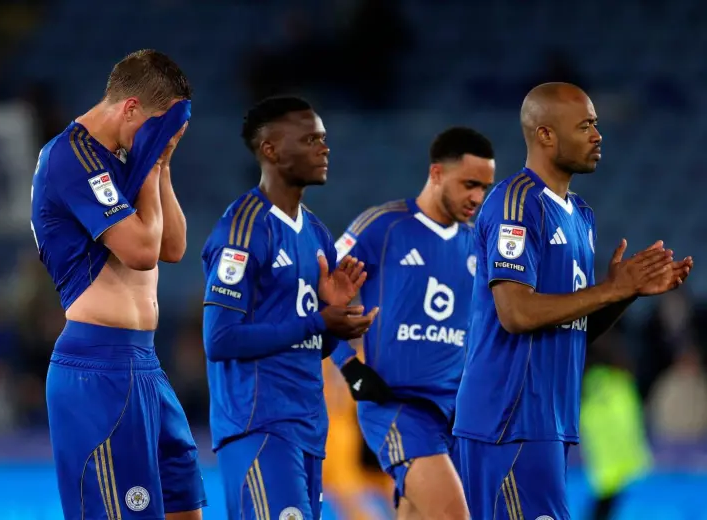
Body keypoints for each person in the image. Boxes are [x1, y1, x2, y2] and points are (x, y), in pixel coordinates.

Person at [452, 82, 693, 520]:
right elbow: (516, 313)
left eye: (596, 125)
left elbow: (575, 326)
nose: (598, 135)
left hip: (547, 419)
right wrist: (611, 290)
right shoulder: (516, 202)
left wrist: (625, 295)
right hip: (508, 418)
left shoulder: (580, 214)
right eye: (585, 126)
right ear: (545, 134)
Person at [30, 49, 206, 520]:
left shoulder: (123, 157)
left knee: (184, 509)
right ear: (130, 108)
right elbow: (141, 251)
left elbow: (173, 246)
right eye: (157, 129)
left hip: (143, 364)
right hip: (98, 369)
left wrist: (161, 162)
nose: (159, 142)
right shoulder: (71, 156)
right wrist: (148, 166)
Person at [201, 96, 379, 520]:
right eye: (311, 139)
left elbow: (307, 338)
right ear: (271, 150)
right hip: (258, 425)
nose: (324, 148)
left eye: (324, 138)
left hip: (309, 429)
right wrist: (319, 320)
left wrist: (342, 340)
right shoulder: (243, 229)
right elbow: (220, 338)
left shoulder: (316, 233)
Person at [328, 127, 496, 520]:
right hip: (398, 408)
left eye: (485, 187)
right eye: (469, 184)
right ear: (437, 174)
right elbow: (313, 298)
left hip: (455, 416)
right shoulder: (382, 227)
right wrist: (349, 368)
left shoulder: (477, 244)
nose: (478, 197)